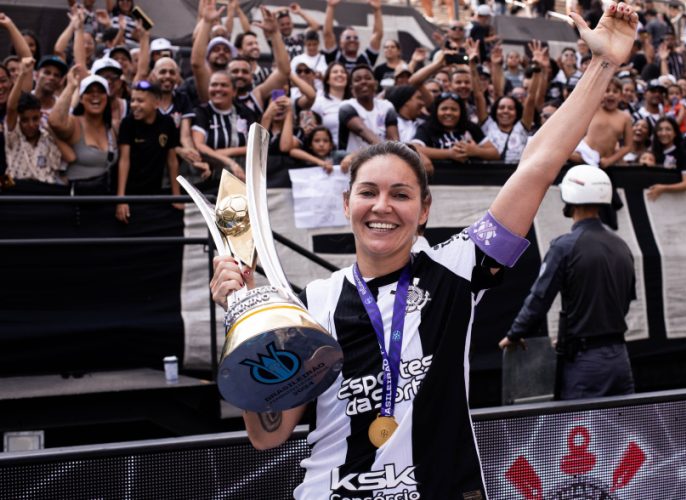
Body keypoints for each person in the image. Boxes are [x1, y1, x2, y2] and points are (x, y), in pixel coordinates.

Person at [210, 3, 637, 498]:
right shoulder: (313, 304)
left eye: (401, 193)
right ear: (347, 204)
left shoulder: (455, 268)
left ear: (425, 210)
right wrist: (242, 323)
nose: (382, 207)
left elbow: (537, 166)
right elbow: (269, 434)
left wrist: (603, 64)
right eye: (368, 192)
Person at [500, 165, 636, 400]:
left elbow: (539, 299)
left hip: (585, 365)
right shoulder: (622, 246)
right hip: (620, 360)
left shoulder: (564, 246)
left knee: (582, 432)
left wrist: (514, 334)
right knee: (620, 432)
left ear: (571, 198)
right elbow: (623, 302)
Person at [115, 81, 180, 223]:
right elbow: (124, 160)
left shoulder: (168, 123)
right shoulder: (127, 123)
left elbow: (172, 161)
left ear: (156, 103)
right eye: (132, 100)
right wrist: (121, 199)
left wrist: (177, 196)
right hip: (130, 192)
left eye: (140, 101)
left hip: (155, 192)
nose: (134, 105)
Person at [4, 57, 75, 186]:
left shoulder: (47, 136)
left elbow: (71, 157)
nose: (31, 124)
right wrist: (22, 74)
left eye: (35, 119)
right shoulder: (13, 135)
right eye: (25, 120)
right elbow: (11, 107)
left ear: (41, 115)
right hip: (16, 191)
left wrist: (50, 131)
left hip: (45, 192)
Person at [49, 70, 119, 194]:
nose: (95, 96)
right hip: (78, 200)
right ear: (81, 98)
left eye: (100, 92)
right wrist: (71, 86)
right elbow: (54, 122)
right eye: (89, 92)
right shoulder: (74, 123)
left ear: (107, 98)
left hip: (106, 199)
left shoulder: (113, 127)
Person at [647, 116, 686, 200]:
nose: (664, 133)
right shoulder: (652, 154)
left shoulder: (683, 155)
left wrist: (663, 188)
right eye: (660, 129)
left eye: (668, 129)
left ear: (675, 133)